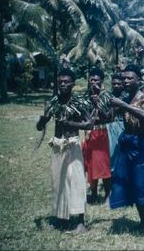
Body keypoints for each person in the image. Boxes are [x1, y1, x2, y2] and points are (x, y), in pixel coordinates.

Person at [36, 69, 88, 234]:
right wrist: (42, 120)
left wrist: (71, 124)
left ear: (73, 83)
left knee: (77, 182)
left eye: (66, 82)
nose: (63, 85)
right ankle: (62, 217)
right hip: (58, 145)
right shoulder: (54, 102)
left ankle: (81, 222)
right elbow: (40, 126)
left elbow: (89, 124)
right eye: (60, 82)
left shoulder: (79, 102)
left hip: (72, 145)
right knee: (59, 182)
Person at [109, 64, 144, 239]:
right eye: (124, 78)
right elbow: (110, 115)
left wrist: (122, 104)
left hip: (140, 146)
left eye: (130, 78)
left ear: (138, 80)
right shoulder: (126, 97)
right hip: (127, 144)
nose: (126, 81)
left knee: (140, 184)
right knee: (130, 184)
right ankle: (142, 221)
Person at [81, 67, 112, 204]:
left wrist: (97, 104)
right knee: (90, 164)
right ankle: (93, 193)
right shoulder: (84, 96)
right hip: (89, 134)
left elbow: (109, 117)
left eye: (96, 80)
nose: (93, 82)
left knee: (103, 164)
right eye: (91, 79)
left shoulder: (106, 96)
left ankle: (108, 194)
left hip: (102, 133)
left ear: (102, 81)